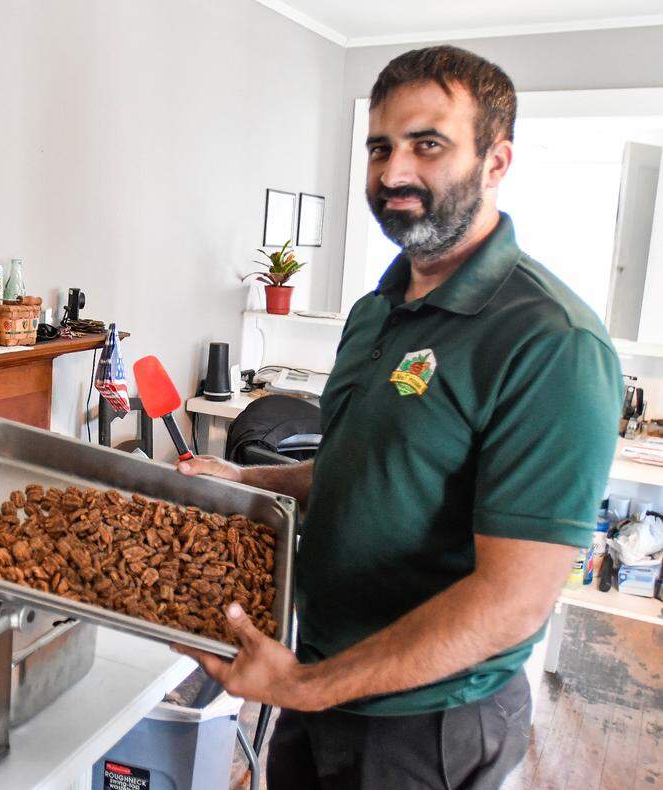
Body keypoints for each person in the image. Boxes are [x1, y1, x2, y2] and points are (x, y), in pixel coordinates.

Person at [174, 45, 622, 789]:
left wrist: (305, 686)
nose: (393, 173)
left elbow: (512, 601)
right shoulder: (378, 310)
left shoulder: (552, 344)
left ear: (496, 161)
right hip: (321, 684)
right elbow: (365, 472)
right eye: (380, 146)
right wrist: (244, 478)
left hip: (426, 726)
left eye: (428, 144)